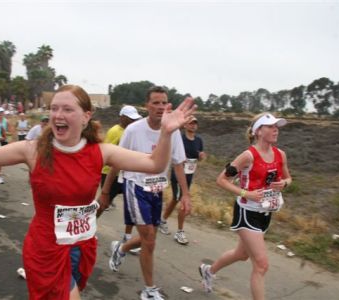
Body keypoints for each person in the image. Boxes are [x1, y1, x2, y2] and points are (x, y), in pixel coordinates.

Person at [0, 82, 195, 300]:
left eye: (67, 109)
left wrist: (165, 134)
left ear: (86, 116)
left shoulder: (100, 152)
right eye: (54, 108)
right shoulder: (32, 150)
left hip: (82, 246)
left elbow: (154, 164)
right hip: (45, 249)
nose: (57, 114)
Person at [103, 86, 192, 300]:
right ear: (147, 106)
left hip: (157, 189)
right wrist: (106, 190)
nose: (161, 107)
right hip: (135, 186)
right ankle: (149, 290)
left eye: (164, 102)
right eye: (156, 102)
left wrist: (186, 195)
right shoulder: (134, 130)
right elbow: (116, 160)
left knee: (148, 238)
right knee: (150, 238)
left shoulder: (172, 131)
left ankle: (121, 248)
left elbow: (179, 164)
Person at [199, 112, 291, 300]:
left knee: (241, 254)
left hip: (266, 212)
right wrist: (246, 193)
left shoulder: (280, 154)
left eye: (277, 126)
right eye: (270, 126)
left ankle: (209, 270)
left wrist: (285, 183)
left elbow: (288, 177)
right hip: (246, 212)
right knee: (261, 265)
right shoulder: (248, 156)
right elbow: (221, 180)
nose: (276, 130)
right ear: (258, 131)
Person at [159, 116, 206, 245]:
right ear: (185, 125)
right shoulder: (180, 138)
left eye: (195, 123)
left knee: (176, 198)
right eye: (191, 123)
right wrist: (180, 159)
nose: (193, 125)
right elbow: (172, 153)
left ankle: (162, 220)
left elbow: (200, 157)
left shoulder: (199, 140)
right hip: (178, 174)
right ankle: (179, 231)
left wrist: (201, 157)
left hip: (189, 174)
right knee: (182, 200)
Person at [98, 105, 142, 213]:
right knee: (103, 204)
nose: (132, 120)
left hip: (124, 174)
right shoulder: (115, 131)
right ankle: (89, 223)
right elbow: (107, 151)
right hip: (110, 173)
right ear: (122, 117)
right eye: (130, 118)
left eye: (134, 119)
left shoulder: (132, 131)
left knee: (134, 200)